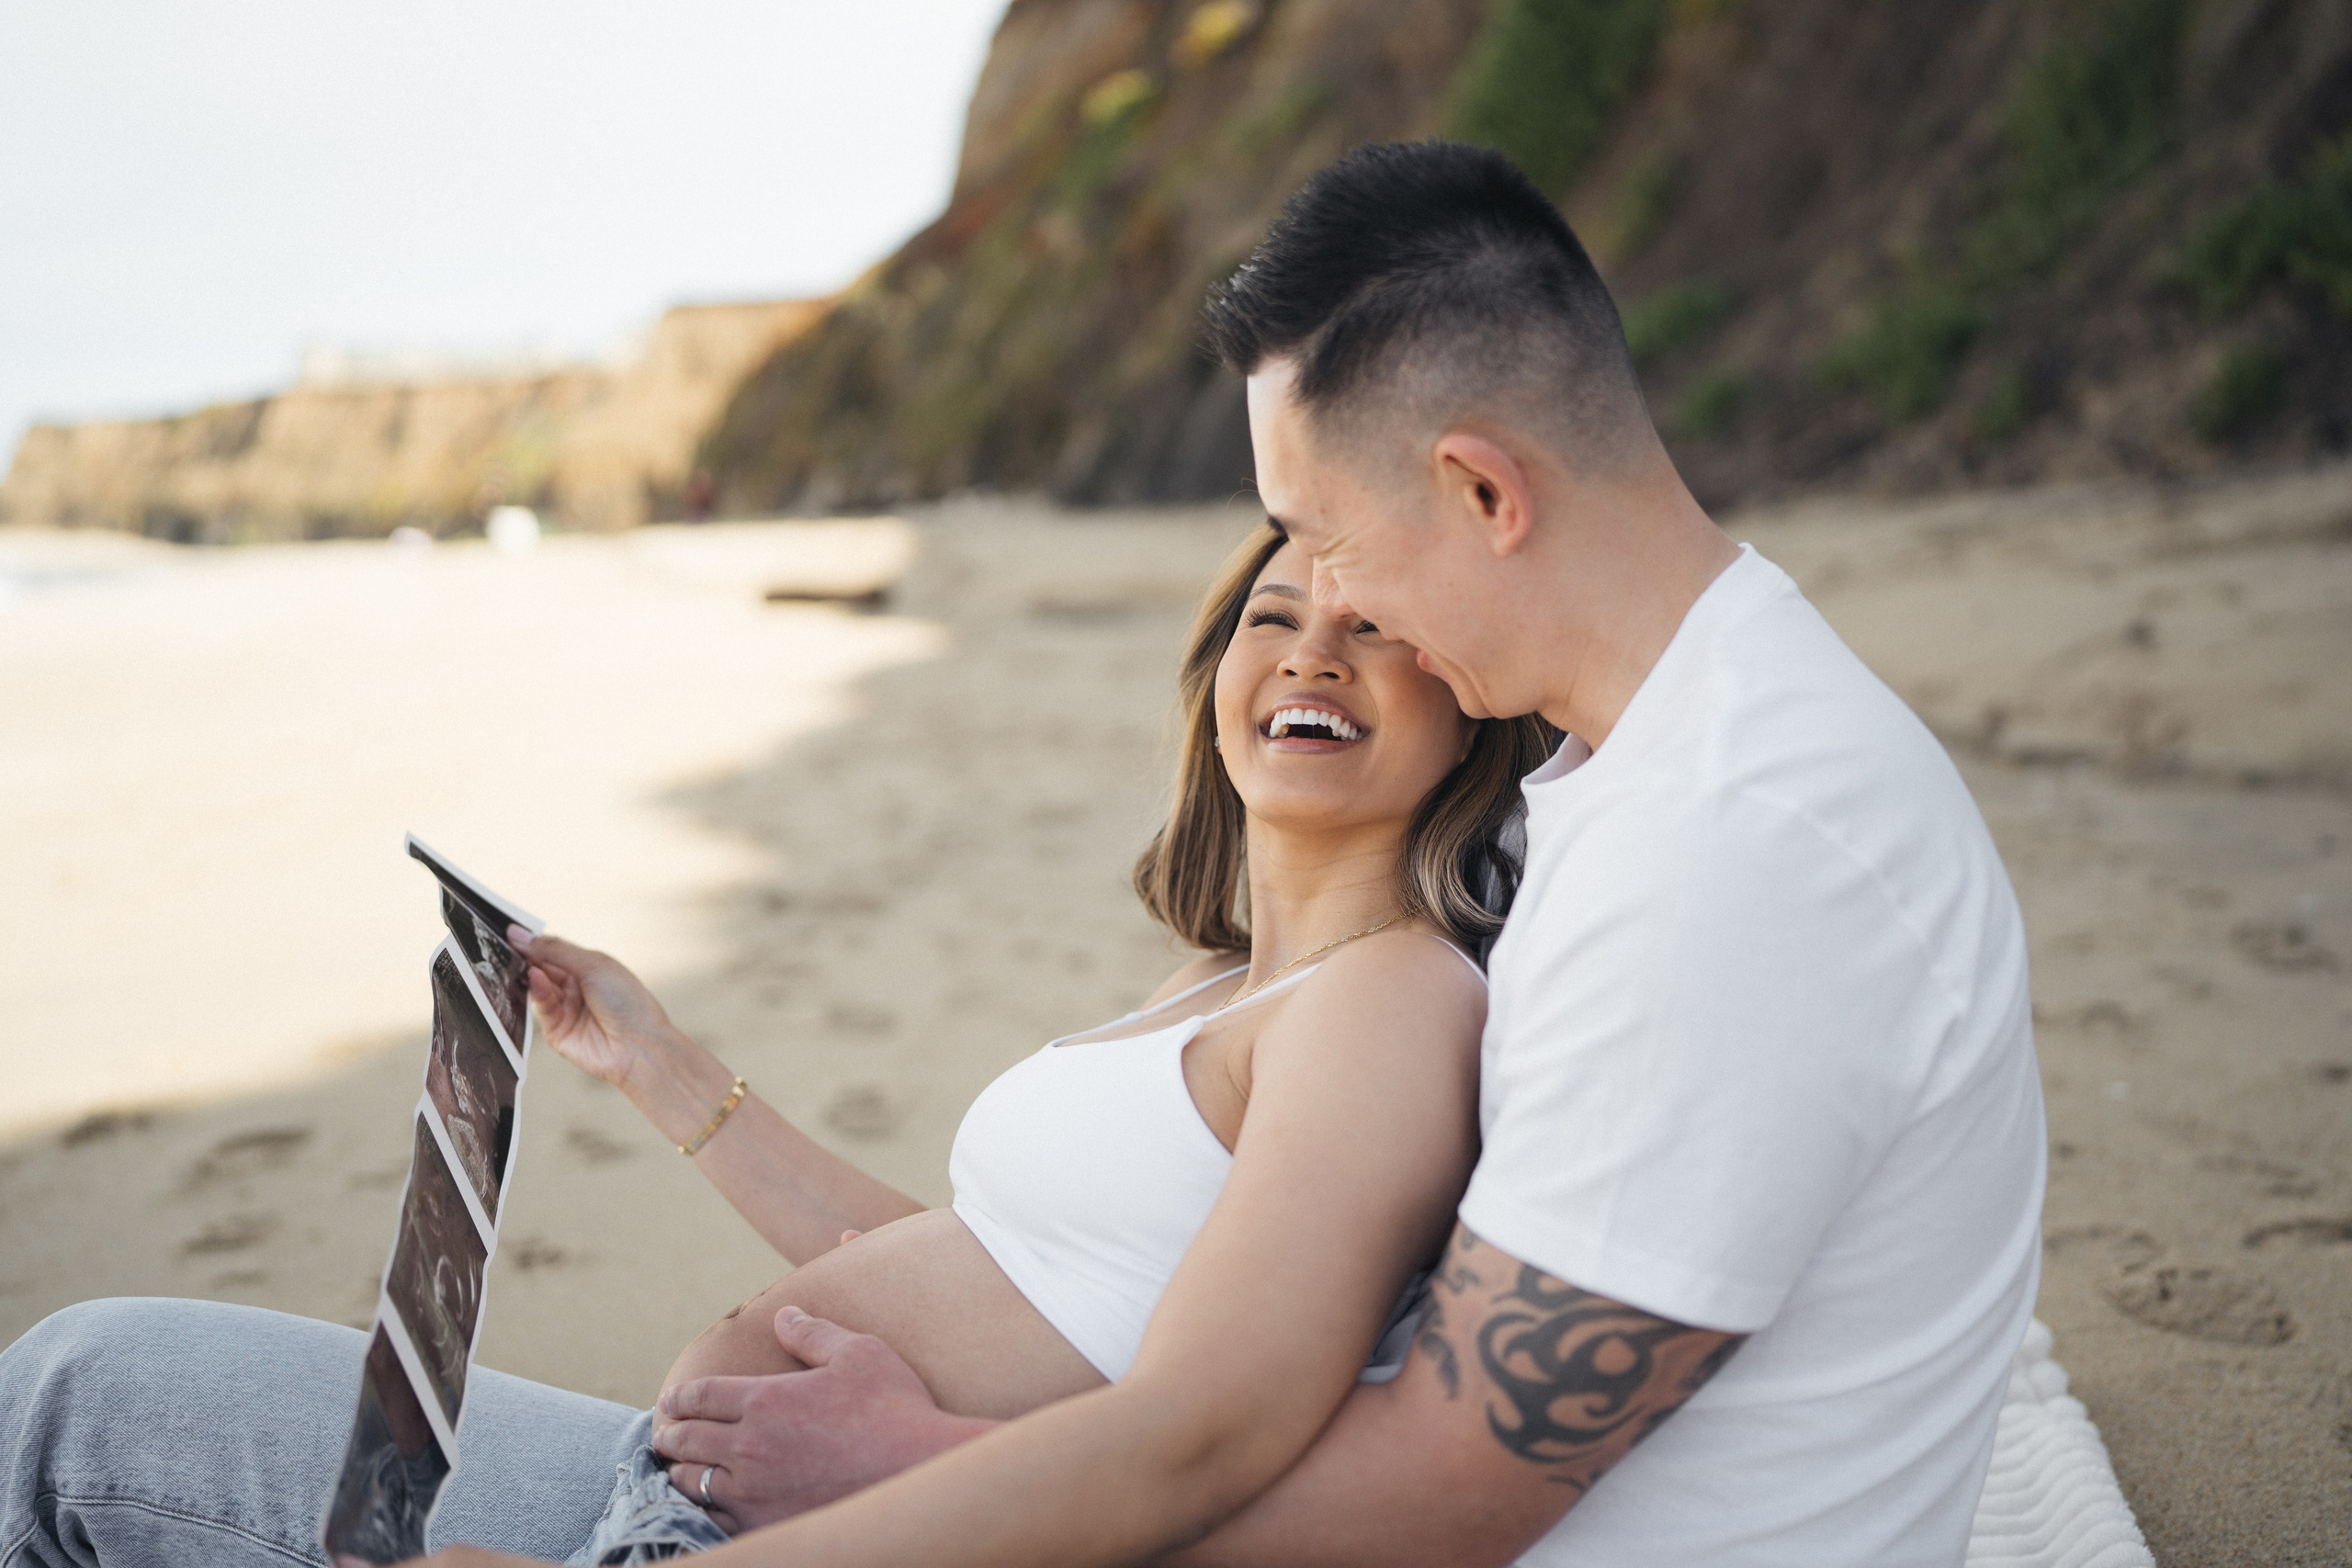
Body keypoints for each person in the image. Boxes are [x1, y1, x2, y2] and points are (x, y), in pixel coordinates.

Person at [595, 141, 2049, 1567]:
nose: (1322, 610)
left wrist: (910, 1476)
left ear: (1484, 493)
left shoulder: (1728, 854)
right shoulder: (1657, 768)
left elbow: (1443, 1494)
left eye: (1325, 540)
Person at [0, 521, 1559, 1566]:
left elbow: (1218, 1433)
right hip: (712, 1490)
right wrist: (659, 1064)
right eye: (1273, 617)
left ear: (1468, 698)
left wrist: (919, 1462)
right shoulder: (1213, 988)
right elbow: (1010, 1277)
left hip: (808, 1544)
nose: (1308, 651)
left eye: (1373, 628)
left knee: (65, 1437)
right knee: (79, 1380)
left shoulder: (1390, 1001)